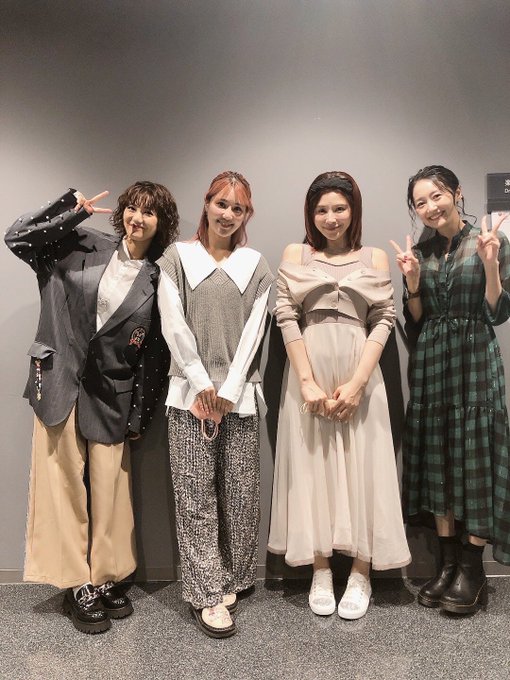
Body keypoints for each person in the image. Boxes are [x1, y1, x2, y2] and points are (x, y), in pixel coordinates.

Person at [5, 181, 178, 633]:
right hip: (59, 379)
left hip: (112, 393)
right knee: (61, 485)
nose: (137, 218)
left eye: (149, 212)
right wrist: (71, 210)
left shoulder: (158, 278)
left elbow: (155, 355)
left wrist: (140, 413)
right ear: (122, 212)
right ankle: (75, 582)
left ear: (161, 223)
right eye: (132, 208)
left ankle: (106, 575)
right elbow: (17, 237)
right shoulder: (78, 242)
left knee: (110, 489)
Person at [268, 171, 410, 620]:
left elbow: (383, 318)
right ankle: (321, 569)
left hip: (359, 373)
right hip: (308, 372)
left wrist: (358, 384)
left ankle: (362, 572)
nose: (331, 218)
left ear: (354, 210)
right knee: (313, 467)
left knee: (366, 466)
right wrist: (306, 380)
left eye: (340, 208)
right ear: (310, 214)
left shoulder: (374, 257)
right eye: (322, 210)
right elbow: (286, 314)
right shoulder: (296, 254)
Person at [157, 171, 273, 638]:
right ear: (206, 204)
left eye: (237, 208)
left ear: (247, 215)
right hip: (188, 397)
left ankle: (234, 577)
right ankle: (206, 591)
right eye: (221, 204)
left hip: (238, 400)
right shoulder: (177, 258)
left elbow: (255, 331)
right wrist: (203, 382)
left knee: (241, 495)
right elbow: (172, 321)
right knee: (194, 498)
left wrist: (229, 388)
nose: (227, 214)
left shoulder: (256, 265)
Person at [391, 165, 510, 614]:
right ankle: (447, 565)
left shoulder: (489, 239)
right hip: (432, 364)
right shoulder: (420, 252)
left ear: (457, 193)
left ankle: (472, 569)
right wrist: (412, 284)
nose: (430, 207)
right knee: (438, 453)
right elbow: (417, 321)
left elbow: (498, 313)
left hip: (475, 360)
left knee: (477, 454)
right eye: (420, 202)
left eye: (437, 196)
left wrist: (491, 265)